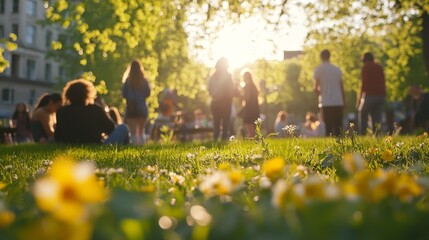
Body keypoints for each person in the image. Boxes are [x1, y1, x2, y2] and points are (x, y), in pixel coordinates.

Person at [55, 79, 130, 144]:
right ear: (87, 94)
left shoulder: (61, 111)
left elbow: (58, 136)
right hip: (95, 143)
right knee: (124, 127)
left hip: (69, 144)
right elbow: (110, 129)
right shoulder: (95, 109)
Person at [313, 49, 346, 136]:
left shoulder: (318, 70)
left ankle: (330, 146)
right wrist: (344, 101)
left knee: (328, 127)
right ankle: (341, 146)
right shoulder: (337, 69)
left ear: (321, 57)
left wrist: (322, 94)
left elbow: (315, 88)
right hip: (338, 101)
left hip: (326, 102)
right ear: (329, 56)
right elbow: (341, 86)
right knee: (338, 127)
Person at [122, 60, 151, 145]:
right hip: (142, 106)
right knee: (141, 131)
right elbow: (148, 93)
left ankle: (134, 147)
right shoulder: (144, 80)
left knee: (133, 132)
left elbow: (124, 94)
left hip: (131, 107)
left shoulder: (128, 81)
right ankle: (142, 148)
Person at [357, 52, 386, 135]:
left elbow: (364, 83)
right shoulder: (379, 67)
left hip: (370, 95)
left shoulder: (366, 67)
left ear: (364, 60)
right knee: (377, 117)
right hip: (381, 96)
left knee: (363, 113)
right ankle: (376, 135)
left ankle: (363, 134)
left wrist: (360, 97)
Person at [208, 57, 234, 141]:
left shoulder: (212, 77)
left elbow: (209, 90)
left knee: (216, 122)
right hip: (225, 102)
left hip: (215, 102)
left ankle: (216, 137)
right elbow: (230, 90)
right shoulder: (228, 76)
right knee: (225, 122)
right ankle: (223, 138)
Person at [241, 72, 260, 137]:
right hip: (255, 108)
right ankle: (254, 142)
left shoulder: (247, 86)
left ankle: (252, 141)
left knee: (249, 126)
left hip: (249, 109)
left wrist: (240, 95)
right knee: (254, 128)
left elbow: (247, 97)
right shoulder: (254, 86)